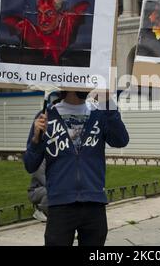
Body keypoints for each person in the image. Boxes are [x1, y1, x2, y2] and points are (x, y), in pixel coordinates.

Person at [23, 90, 129, 246]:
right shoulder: (46, 115)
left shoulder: (99, 113)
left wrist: (109, 104)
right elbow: (30, 164)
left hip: (94, 202)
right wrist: (36, 139)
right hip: (60, 204)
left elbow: (121, 140)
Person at [3, 0, 90, 65]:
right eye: (40, 14)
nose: (43, 20)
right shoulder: (26, 30)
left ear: (60, 15)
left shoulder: (68, 28)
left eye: (49, 14)